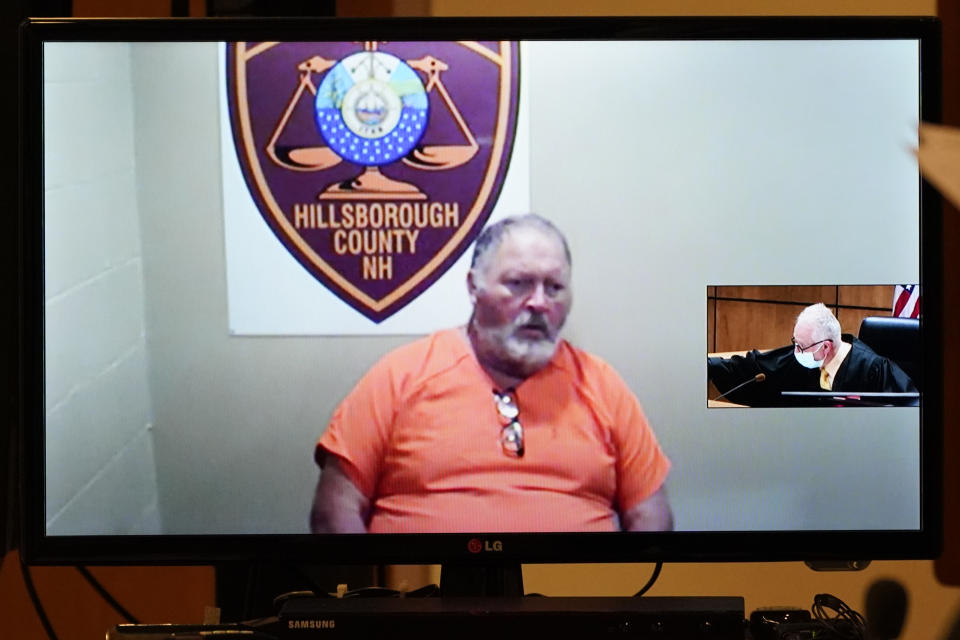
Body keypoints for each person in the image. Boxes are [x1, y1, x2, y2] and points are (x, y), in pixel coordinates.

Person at [310, 214, 673, 533]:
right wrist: (378, 605)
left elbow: (651, 515)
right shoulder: (401, 376)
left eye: (555, 287)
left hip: (577, 604)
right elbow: (333, 511)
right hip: (421, 602)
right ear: (473, 287)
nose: (538, 302)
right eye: (518, 283)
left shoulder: (601, 384)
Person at [707, 302, 917, 407]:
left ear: (826, 347)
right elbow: (755, 368)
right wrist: (705, 365)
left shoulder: (874, 369)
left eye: (801, 346)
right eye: (795, 344)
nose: (796, 352)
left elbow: (911, 411)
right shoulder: (805, 357)